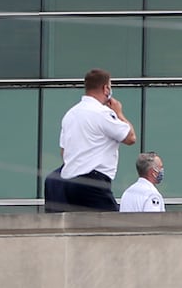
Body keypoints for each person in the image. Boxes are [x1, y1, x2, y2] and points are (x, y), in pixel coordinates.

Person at [56, 68, 137, 211]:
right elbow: (130, 137)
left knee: (82, 229)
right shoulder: (102, 113)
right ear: (106, 88)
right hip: (93, 181)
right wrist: (119, 113)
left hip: (69, 182)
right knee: (113, 227)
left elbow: (64, 152)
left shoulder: (70, 114)